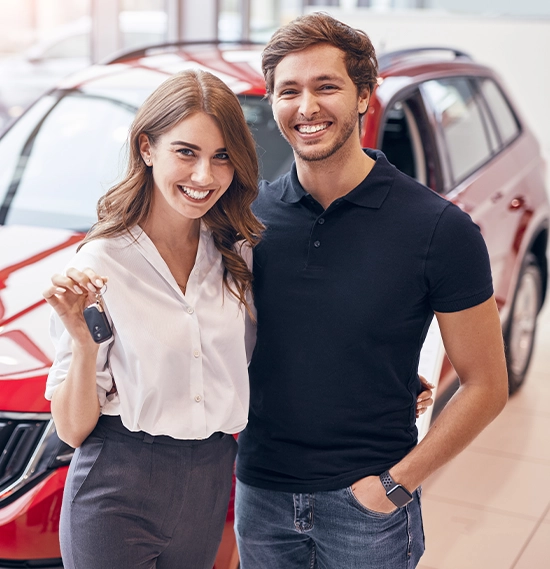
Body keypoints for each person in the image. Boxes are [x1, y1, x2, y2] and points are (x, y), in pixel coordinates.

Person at [233, 12, 509, 569]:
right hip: (260, 497)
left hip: (368, 506)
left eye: (326, 86)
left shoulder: (438, 229)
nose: (306, 107)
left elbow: (486, 384)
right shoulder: (247, 220)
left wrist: (398, 483)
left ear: (364, 95)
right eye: (289, 91)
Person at [42, 69, 263, 569]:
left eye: (222, 156)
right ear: (147, 148)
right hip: (116, 485)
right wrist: (82, 344)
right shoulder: (99, 264)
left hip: (209, 479)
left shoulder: (236, 254)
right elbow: (74, 431)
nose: (204, 176)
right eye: (186, 152)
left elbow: (275, 357)